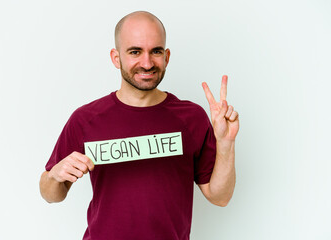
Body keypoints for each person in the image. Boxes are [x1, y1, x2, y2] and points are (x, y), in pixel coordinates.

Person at [39, 11, 239, 240]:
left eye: (156, 51)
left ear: (167, 57)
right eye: (135, 51)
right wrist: (54, 176)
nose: (147, 63)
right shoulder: (85, 119)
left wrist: (226, 143)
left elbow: (219, 197)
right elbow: (51, 194)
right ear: (116, 58)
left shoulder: (192, 117)